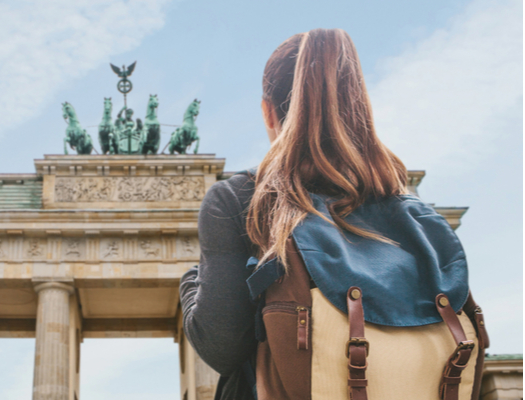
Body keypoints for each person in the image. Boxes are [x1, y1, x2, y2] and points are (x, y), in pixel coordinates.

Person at [180, 29, 487, 400]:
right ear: (359, 105)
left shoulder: (244, 200)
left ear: (267, 111)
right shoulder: (412, 213)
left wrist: (191, 280)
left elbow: (221, 348)